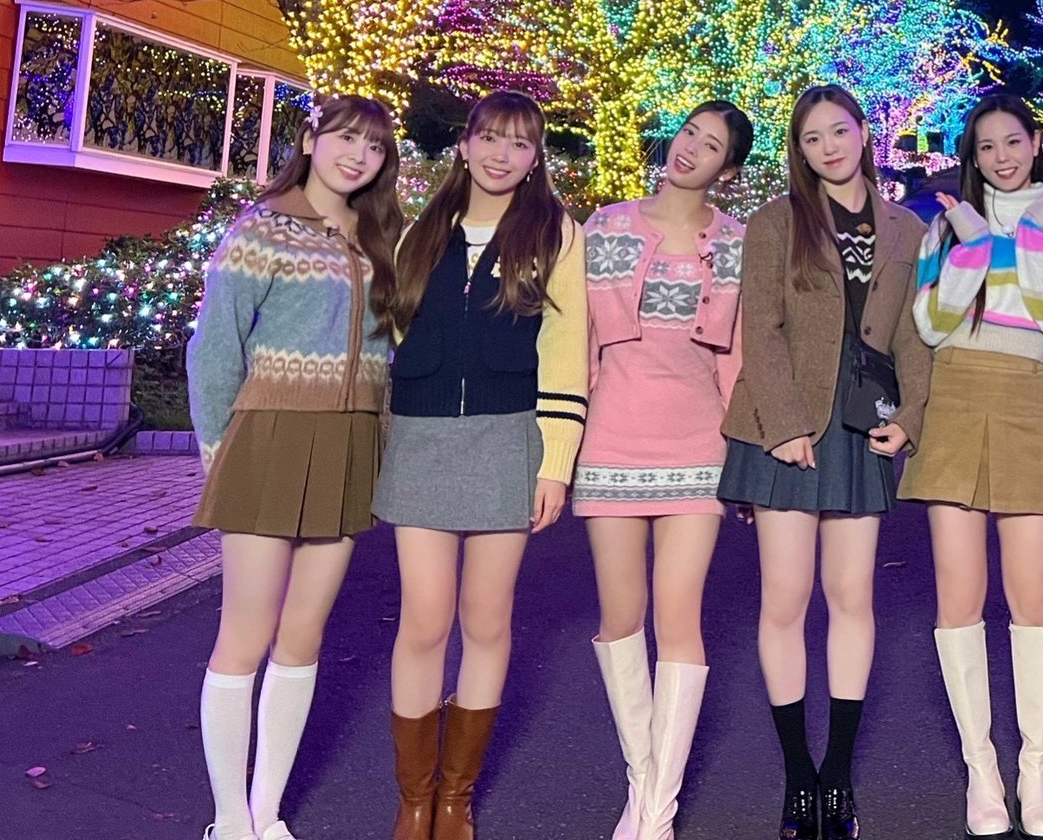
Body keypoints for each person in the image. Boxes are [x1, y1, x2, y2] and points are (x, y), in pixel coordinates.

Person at [718, 84, 933, 840]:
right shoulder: (776, 221)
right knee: (784, 599)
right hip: (786, 420)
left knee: (851, 597)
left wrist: (910, 418)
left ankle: (837, 774)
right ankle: (797, 777)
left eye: (838, 131)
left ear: (864, 132)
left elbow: (914, 333)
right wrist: (781, 425)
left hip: (863, 420)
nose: (828, 147)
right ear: (800, 152)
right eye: (812, 139)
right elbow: (761, 325)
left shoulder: (908, 227)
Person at [373, 91, 589, 840]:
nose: (503, 154)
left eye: (520, 143)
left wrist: (555, 462)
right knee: (424, 619)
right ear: (464, 146)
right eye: (491, 138)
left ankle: (457, 799)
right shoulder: (418, 231)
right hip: (423, 439)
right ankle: (414, 799)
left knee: (487, 619)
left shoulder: (555, 232)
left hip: (508, 438)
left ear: (536, 157)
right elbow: (391, 334)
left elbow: (565, 349)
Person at [186, 94, 402, 840]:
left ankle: (267, 811)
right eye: (345, 138)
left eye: (374, 147)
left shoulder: (382, 239)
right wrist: (218, 453)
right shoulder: (262, 228)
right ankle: (228, 821)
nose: (357, 156)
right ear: (310, 140)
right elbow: (215, 347)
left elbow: (390, 356)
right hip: (268, 438)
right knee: (244, 636)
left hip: (348, 445)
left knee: (303, 637)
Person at [903, 90, 1043, 840]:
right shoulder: (947, 226)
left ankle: (1035, 770)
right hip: (954, 392)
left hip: (1024, 393)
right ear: (972, 157)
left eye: (1013, 141)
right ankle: (981, 770)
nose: (1002, 157)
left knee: (1033, 592)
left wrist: (1034, 234)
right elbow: (930, 322)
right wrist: (976, 242)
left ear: (1036, 143)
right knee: (959, 594)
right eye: (986, 147)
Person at [578, 101, 755, 840]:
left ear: (728, 169)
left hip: (698, 446)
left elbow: (738, 357)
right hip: (610, 439)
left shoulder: (737, 243)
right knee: (621, 619)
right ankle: (641, 782)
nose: (690, 149)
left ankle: (656, 814)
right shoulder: (605, 225)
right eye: (689, 133)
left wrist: (746, 454)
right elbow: (576, 340)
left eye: (710, 146)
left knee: (679, 618)